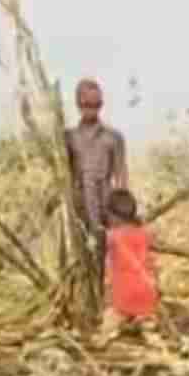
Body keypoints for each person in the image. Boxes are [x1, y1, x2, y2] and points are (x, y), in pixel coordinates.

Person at [65, 78, 130, 283]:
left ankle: (108, 302)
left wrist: (123, 212)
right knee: (80, 257)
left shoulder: (113, 137)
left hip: (106, 202)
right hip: (79, 204)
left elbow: (121, 174)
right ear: (78, 104)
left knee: (107, 257)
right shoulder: (68, 137)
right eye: (87, 104)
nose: (92, 109)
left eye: (97, 104)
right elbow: (64, 173)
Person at [101, 188, 159, 332]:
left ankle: (111, 330)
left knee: (108, 324)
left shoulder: (112, 236)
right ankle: (143, 322)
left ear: (113, 216)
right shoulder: (144, 234)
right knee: (145, 317)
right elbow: (152, 263)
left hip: (123, 297)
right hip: (146, 294)